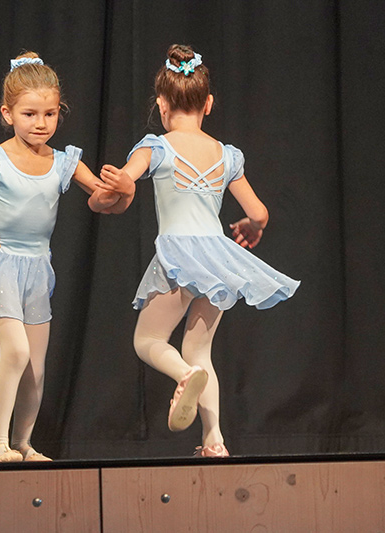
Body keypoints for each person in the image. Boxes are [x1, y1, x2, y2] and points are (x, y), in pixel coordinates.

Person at [0, 52, 134, 462]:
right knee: (16, 352)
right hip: (0, 264)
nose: (41, 123)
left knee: (35, 369)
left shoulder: (63, 162)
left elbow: (103, 200)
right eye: (30, 114)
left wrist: (123, 189)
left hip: (37, 269)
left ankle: (23, 442)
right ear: (8, 114)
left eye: (49, 114)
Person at [100, 44, 300, 457]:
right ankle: (214, 440)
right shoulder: (227, 155)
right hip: (218, 260)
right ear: (208, 104)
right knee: (200, 349)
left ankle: (184, 374)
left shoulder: (156, 147)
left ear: (161, 104)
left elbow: (127, 180)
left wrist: (117, 186)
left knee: (148, 339)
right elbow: (259, 212)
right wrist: (252, 227)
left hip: (178, 256)